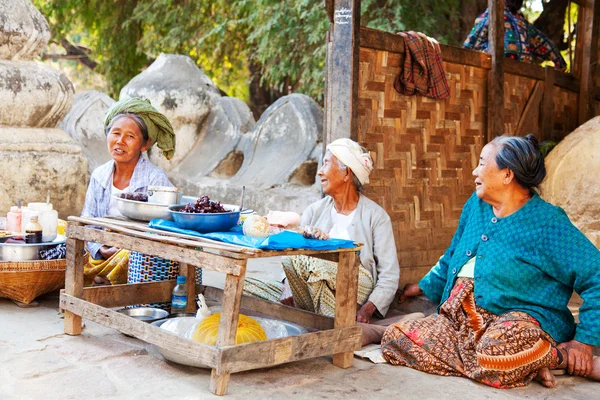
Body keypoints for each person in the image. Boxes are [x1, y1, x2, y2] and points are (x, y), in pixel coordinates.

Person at [363, 134, 600, 388]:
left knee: (494, 354)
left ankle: (558, 358)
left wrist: (583, 343)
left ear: (507, 175)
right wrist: (425, 285)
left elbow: (596, 275)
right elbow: (454, 253)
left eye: (482, 164)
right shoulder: (476, 206)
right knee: (396, 339)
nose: (475, 171)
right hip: (461, 324)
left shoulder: (547, 223)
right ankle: (528, 364)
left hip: (515, 326)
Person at [244, 138, 400, 323]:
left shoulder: (376, 217)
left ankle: (325, 326)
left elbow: (389, 275)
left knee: (309, 263)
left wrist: (366, 310)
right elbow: (292, 256)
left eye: (326, 164)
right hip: (310, 284)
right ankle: (327, 320)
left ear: (346, 173)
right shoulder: (314, 210)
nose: (319, 172)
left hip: (355, 284)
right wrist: (288, 285)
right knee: (246, 286)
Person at [81, 97, 176, 285]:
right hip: (104, 254)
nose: (120, 141)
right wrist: (100, 248)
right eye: (115, 133)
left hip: (138, 256)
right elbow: (88, 221)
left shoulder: (155, 179)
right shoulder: (100, 175)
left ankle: (110, 280)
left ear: (145, 144)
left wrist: (128, 246)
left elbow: (166, 229)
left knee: (128, 258)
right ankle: (105, 276)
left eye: (130, 136)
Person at [463, 0, 567, 71]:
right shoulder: (524, 25)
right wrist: (560, 65)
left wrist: (462, 62)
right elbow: (547, 45)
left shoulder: (490, 15)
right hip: (524, 75)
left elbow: (470, 44)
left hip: (495, 68)